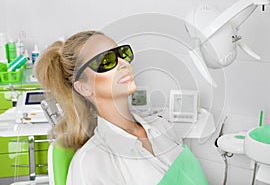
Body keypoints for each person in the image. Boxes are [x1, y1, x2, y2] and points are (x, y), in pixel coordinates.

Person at [35, 31, 208, 185]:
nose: (124, 63)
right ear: (84, 88)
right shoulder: (91, 163)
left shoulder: (161, 128)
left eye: (121, 53)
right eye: (106, 61)